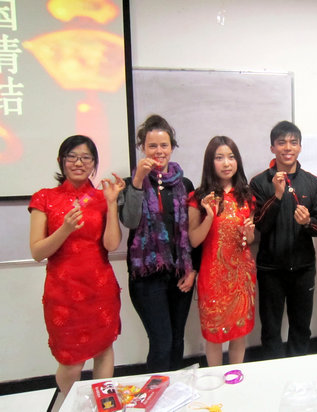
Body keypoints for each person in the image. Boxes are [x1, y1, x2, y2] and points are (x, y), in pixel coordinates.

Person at [29, 135, 124, 395]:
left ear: (94, 163)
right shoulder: (44, 198)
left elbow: (112, 244)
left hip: (100, 290)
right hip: (64, 295)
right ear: (61, 161)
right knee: (70, 362)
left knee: (103, 350)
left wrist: (112, 204)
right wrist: (65, 229)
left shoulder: (102, 197)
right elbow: (37, 252)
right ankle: (72, 404)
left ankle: (102, 405)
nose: (78, 163)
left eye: (86, 158)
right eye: (72, 157)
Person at [119, 114, 198, 373]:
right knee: (161, 342)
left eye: (164, 145)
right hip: (147, 278)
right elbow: (130, 220)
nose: (159, 151)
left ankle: (176, 390)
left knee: (177, 340)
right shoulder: (131, 184)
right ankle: (157, 391)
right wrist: (137, 182)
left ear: (172, 147)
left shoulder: (184, 184)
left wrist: (192, 270)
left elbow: (190, 232)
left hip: (179, 274)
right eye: (152, 146)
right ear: (142, 147)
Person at [250, 120, 317, 360]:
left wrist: (307, 222)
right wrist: (277, 195)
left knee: (301, 327)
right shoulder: (259, 182)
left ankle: (299, 373)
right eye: (281, 142)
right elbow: (260, 225)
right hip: (270, 269)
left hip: (303, 268)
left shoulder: (312, 183)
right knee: (270, 329)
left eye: (293, 142)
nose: (287, 147)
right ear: (272, 148)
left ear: (300, 147)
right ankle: (274, 373)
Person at [188, 136, 256, 366]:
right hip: (213, 276)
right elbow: (194, 240)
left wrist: (248, 232)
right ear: (210, 162)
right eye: (219, 158)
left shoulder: (246, 195)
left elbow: (249, 240)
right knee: (214, 335)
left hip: (241, 276)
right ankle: (214, 380)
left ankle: (236, 377)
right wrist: (209, 215)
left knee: (239, 333)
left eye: (231, 157)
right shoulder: (198, 197)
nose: (226, 163)